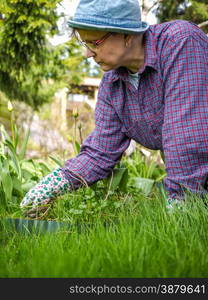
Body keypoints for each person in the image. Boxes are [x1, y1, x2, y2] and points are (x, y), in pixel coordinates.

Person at [20, 0, 208, 217]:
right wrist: (55, 184)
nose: (87, 54)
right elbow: (101, 150)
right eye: (85, 44)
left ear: (127, 35)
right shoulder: (113, 84)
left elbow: (186, 133)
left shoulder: (180, 43)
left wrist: (182, 199)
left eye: (95, 43)